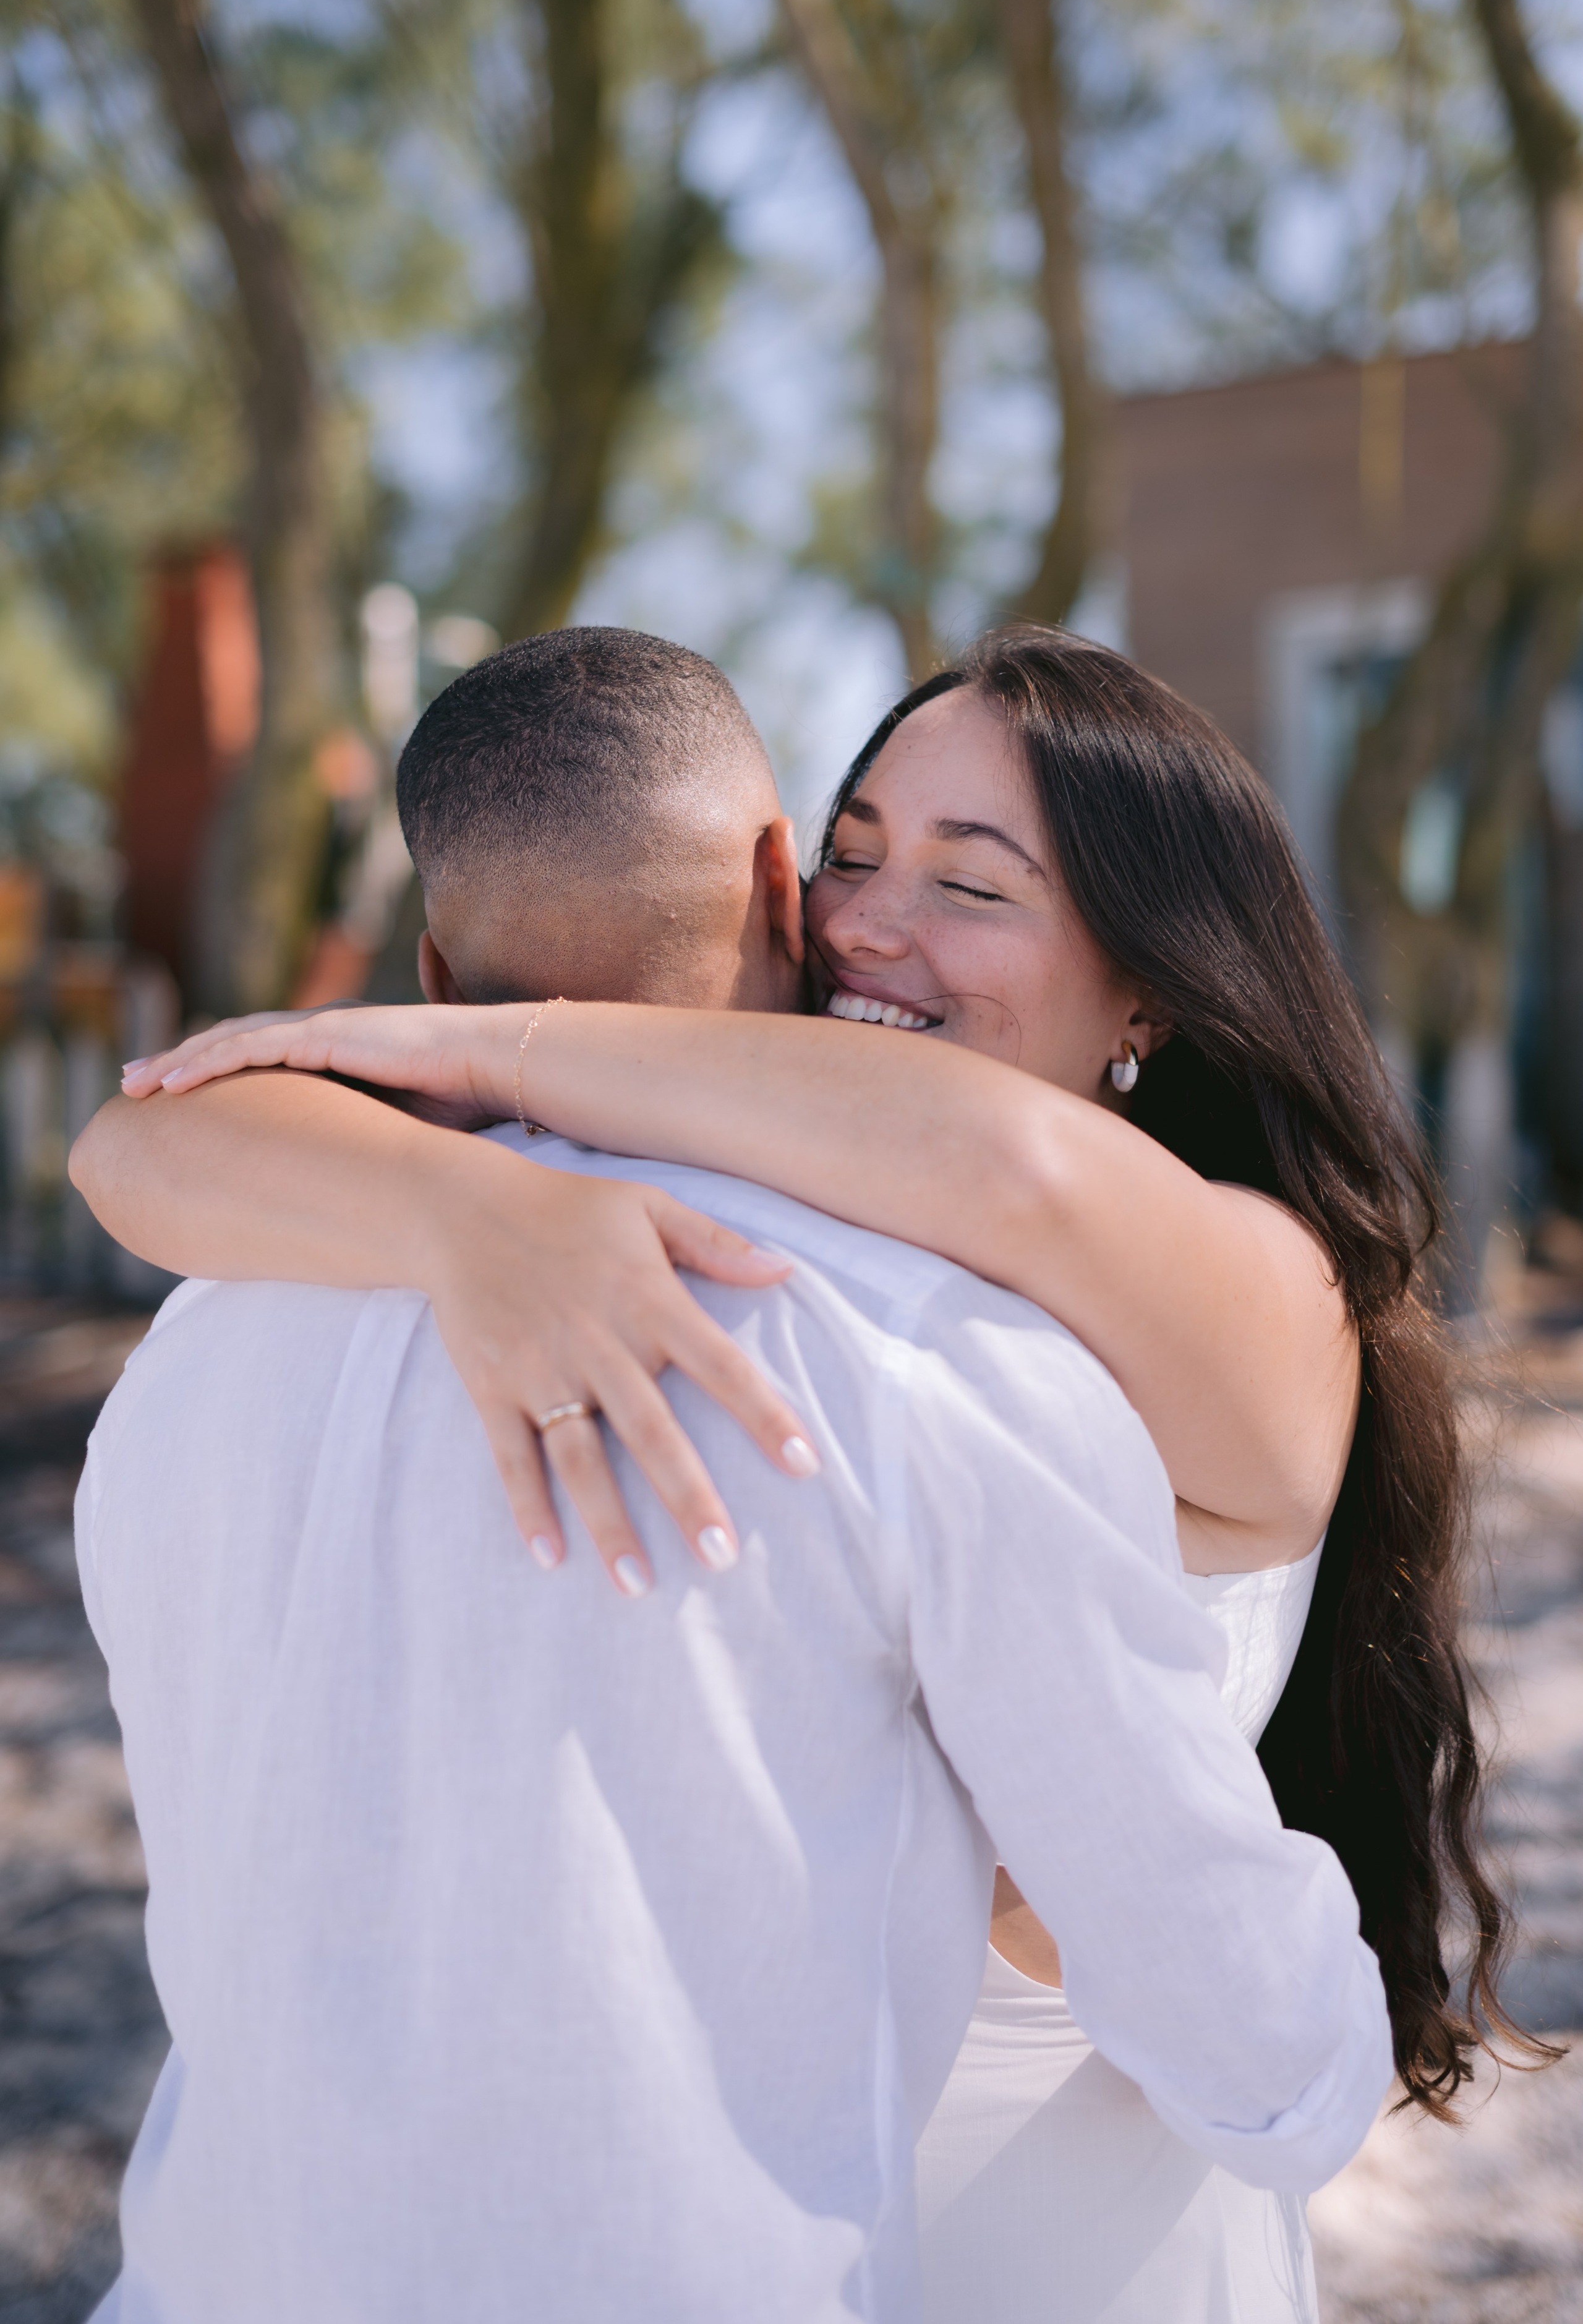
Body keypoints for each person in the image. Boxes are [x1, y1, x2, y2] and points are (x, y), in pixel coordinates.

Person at [75, 625, 1534, 2320]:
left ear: (1152, 987)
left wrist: (489, 1047)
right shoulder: (821, 1294)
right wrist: (473, 1200)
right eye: (850, 855)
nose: (865, 925)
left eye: (969, 884)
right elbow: (135, 1143)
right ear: (781, 882)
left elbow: (1008, 1171)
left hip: (1077, 2258)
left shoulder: (1215, 1290)